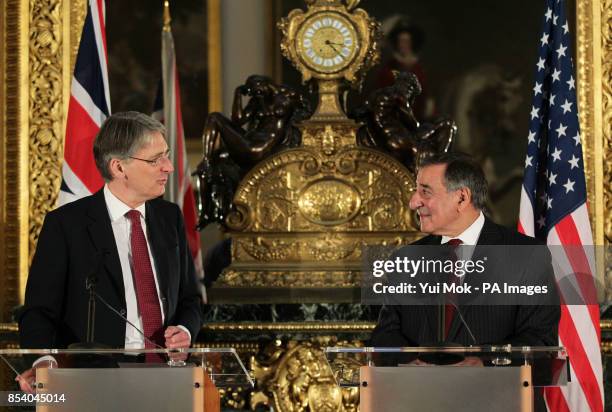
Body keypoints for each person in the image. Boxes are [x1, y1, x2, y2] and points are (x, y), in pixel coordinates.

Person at [17, 111, 203, 391]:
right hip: (92, 380)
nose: (169, 167)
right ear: (118, 167)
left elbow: (190, 298)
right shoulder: (68, 225)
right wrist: (43, 361)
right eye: (156, 160)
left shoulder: (170, 218)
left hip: (167, 378)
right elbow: (39, 311)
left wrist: (185, 331)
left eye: (166, 155)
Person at [371, 152, 560, 348]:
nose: (413, 202)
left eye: (425, 192)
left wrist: (483, 362)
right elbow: (386, 334)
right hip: (421, 379)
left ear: (461, 198)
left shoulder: (527, 255)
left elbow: (539, 339)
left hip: (492, 379)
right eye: (416, 191)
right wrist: (410, 362)